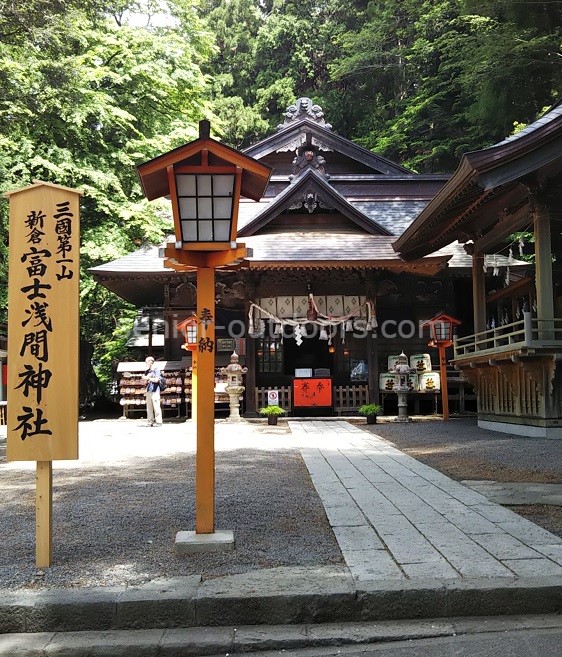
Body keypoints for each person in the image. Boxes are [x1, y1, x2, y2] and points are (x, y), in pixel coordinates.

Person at [142, 356, 162, 427]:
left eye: (146, 362)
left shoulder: (156, 370)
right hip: (148, 390)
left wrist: (148, 378)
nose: (146, 364)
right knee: (149, 407)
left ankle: (159, 421)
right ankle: (150, 421)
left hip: (155, 390)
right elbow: (145, 381)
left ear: (150, 362)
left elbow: (157, 380)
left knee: (156, 406)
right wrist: (144, 379)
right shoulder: (147, 371)